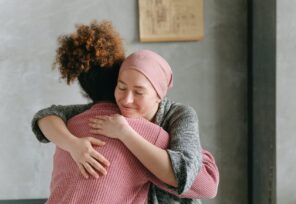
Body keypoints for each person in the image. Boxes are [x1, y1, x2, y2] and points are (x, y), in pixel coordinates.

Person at [32, 21, 219, 203]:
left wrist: (126, 133)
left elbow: (199, 179)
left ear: (159, 95)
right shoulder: (103, 117)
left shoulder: (178, 115)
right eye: (121, 88)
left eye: (138, 92)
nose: (127, 99)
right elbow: (48, 114)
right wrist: (73, 144)